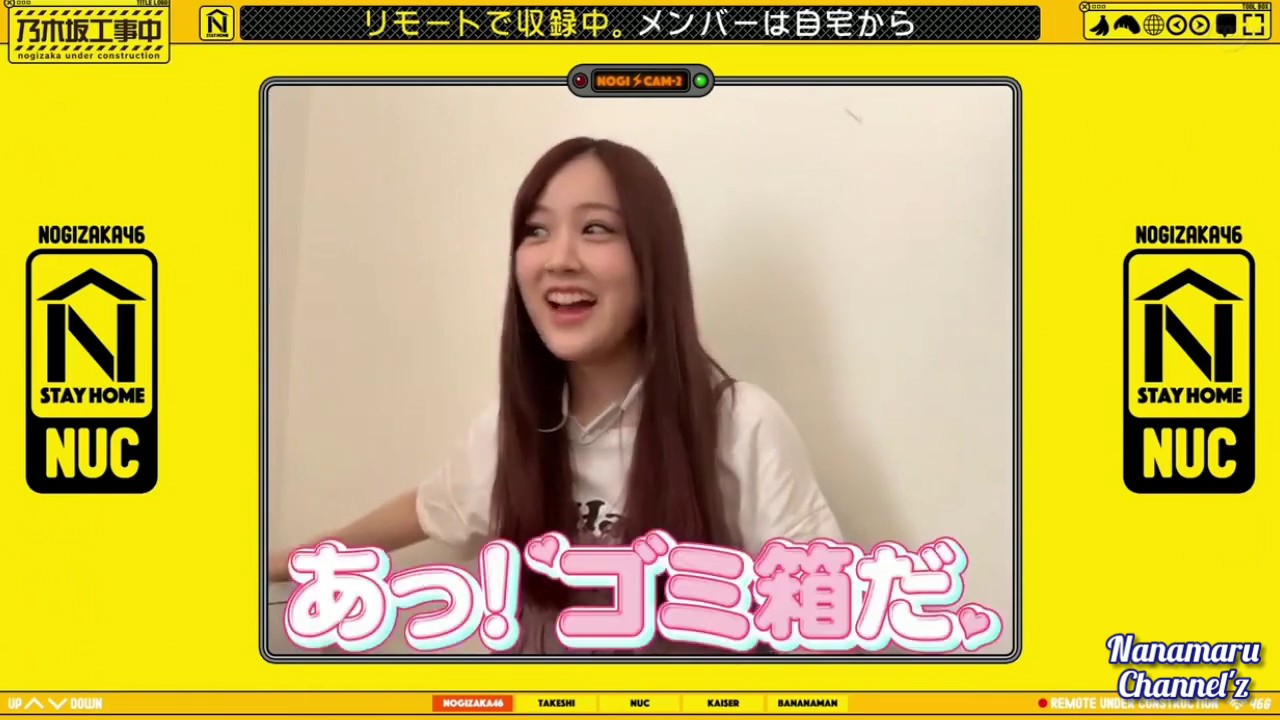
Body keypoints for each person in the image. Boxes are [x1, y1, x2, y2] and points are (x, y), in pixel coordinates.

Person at [268, 137, 843, 654]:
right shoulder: (510, 430)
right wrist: (275, 565)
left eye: (596, 229)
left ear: (652, 258)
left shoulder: (741, 425)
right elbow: (426, 508)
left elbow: (821, 621)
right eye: (536, 231)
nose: (558, 259)